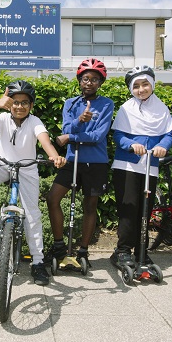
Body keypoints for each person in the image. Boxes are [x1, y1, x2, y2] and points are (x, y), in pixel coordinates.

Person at [0, 80, 66, 286]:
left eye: (25, 102)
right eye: (15, 102)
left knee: (32, 214)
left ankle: (38, 263)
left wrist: (55, 157)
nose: (20, 106)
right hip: (3, 165)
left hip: (26, 169)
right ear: (9, 103)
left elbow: (45, 141)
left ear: (31, 105)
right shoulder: (4, 118)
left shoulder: (35, 122)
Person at [46, 58, 114, 266]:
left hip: (96, 163)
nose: (89, 83)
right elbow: (67, 128)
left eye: (94, 79)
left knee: (90, 205)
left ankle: (83, 251)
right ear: (79, 80)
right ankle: (59, 245)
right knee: (52, 198)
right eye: (86, 79)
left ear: (100, 83)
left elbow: (98, 136)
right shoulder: (70, 103)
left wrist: (71, 137)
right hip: (72, 160)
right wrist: (79, 121)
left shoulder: (106, 104)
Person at [110, 65, 172, 270]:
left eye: (145, 84)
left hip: (150, 165)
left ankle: (142, 251)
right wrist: (130, 145)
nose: (141, 89)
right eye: (136, 86)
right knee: (128, 209)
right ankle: (123, 251)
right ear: (131, 89)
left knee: (146, 210)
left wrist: (163, 146)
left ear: (152, 84)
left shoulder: (162, 109)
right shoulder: (126, 109)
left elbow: (168, 134)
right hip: (126, 165)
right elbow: (118, 135)